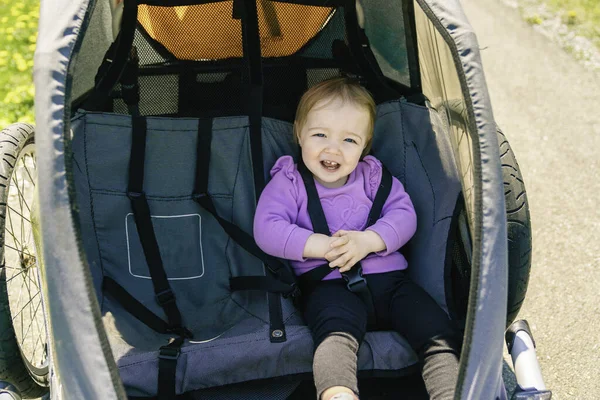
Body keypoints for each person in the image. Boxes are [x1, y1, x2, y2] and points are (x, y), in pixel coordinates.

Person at [253, 77, 461, 400]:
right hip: (328, 287)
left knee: (435, 332)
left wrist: (369, 240)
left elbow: (404, 215)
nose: (333, 149)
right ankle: (338, 394)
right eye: (320, 134)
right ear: (298, 132)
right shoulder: (290, 180)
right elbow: (266, 228)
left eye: (349, 140)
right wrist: (320, 246)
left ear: (364, 146)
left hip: (392, 283)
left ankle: (450, 393)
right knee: (334, 338)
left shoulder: (373, 176)